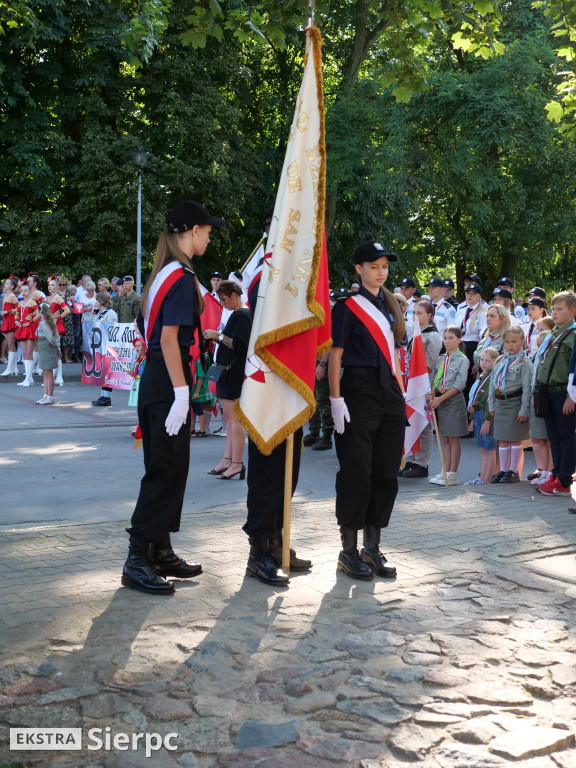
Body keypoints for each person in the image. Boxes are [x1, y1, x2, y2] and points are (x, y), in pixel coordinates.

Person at [122, 200, 223, 595]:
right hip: (169, 383)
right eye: (208, 230)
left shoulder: (165, 273)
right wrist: (183, 395)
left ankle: (160, 549)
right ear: (193, 231)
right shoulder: (180, 277)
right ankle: (137, 559)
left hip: (159, 382)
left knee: (169, 466)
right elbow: (167, 339)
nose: (209, 237)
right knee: (165, 470)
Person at [329, 240, 406, 580]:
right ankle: (348, 551)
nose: (381, 271)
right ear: (359, 268)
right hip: (358, 392)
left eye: (384, 266)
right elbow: (336, 355)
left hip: (388, 392)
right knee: (356, 471)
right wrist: (335, 398)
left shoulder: (389, 308)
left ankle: (372, 548)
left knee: (385, 472)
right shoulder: (346, 307)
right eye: (374, 266)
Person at [203, 280, 252, 479]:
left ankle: (237, 463)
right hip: (229, 372)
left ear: (233, 294)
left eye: (223, 299)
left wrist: (218, 336)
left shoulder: (242, 315)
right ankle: (228, 460)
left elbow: (241, 345)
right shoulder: (239, 314)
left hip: (234, 373)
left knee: (234, 420)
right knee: (230, 419)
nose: (222, 303)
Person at [535, 291, 576, 496]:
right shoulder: (553, 333)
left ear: (572, 311)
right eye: (553, 309)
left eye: (560, 309)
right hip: (547, 392)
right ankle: (557, 473)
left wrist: (572, 396)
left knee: (565, 436)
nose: (554, 313)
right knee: (554, 437)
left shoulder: (573, 335)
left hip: (564, 393)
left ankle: (565, 480)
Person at [401, 300, 442, 478]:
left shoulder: (431, 336)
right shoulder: (413, 334)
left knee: (424, 425)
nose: (415, 316)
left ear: (429, 316)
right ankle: (411, 459)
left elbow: (429, 364)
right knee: (411, 420)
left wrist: (415, 379)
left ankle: (422, 463)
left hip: (424, 385)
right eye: (413, 313)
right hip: (411, 384)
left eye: (419, 313)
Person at [488, 326, 533, 483]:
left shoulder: (525, 363)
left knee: (514, 439)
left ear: (522, 341)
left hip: (515, 403)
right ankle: (503, 469)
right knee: (502, 438)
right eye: (507, 342)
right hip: (500, 403)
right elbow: (493, 384)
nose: (510, 345)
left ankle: (513, 471)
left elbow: (527, 388)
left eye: (514, 341)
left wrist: (524, 409)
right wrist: (491, 405)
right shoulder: (501, 360)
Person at [428, 325, 470, 486]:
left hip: (452, 401)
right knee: (445, 438)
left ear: (459, 340)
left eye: (451, 338)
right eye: (445, 338)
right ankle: (445, 470)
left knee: (453, 438)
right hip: (441, 400)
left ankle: (453, 473)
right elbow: (436, 378)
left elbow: (459, 385)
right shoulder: (442, 358)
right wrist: (432, 393)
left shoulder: (462, 360)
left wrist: (440, 398)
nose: (447, 341)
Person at [466, 346, 499, 484]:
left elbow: (489, 401)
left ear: (495, 363)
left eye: (488, 361)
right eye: (482, 360)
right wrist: (472, 420)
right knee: (482, 448)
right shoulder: (482, 376)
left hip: (486, 415)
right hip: (477, 413)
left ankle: (487, 478)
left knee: (489, 448)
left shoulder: (492, 378)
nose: (484, 363)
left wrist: (488, 420)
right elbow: (475, 399)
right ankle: (482, 476)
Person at [527, 328, 553, 487]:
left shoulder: (548, 357)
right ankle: (544, 471)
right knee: (541, 439)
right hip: (536, 396)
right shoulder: (537, 357)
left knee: (548, 439)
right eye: (537, 345)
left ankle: (551, 471)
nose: (539, 347)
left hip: (546, 397)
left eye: (542, 344)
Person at [455, 282, 486, 399]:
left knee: (468, 379)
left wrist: (477, 354)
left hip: (472, 346)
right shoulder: (461, 310)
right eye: (468, 293)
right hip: (459, 345)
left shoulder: (483, 312)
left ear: (480, 296)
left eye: (474, 293)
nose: (470, 296)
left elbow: (481, 335)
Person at [91, 291, 119, 407]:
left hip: (108, 345)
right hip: (100, 345)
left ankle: (107, 397)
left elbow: (111, 329)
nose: (95, 302)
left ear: (102, 301)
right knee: (103, 371)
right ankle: (103, 395)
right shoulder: (101, 313)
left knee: (108, 371)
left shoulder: (110, 313)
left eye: (97, 300)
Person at [303, 349, 333, 451]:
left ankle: (327, 437)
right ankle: (314, 434)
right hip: (311, 361)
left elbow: (330, 343)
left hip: (323, 362)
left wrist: (322, 363)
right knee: (312, 399)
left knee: (323, 401)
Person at [35, 302, 61, 405]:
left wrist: (57, 347)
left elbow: (51, 337)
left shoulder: (46, 321)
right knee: (45, 372)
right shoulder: (44, 320)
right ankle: (45, 395)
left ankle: (50, 396)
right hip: (43, 345)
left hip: (47, 346)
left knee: (48, 372)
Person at [47, 277, 70, 387]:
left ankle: (59, 377)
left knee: (57, 349)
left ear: (57, 287)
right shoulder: (48, 298)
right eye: (49, 285)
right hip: (47, 326)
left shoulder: (58, 298)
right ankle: (52, 377)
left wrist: (58, 318)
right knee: (50, 351)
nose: (49, 287)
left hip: (56, 325)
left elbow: (67, 310)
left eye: (52, 285)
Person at [14, 283, 38, 387]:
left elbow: (39, 314)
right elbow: (17, 315)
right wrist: (16, 321)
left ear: (29, 292)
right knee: (25, 354)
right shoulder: (20, 303)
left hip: (29, 327)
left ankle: (28, 378)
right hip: (22, 327)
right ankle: (28, 378)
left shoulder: (32, 302)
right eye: (22, 291)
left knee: (29, 353)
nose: (23, 292)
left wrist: (31, 321)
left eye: (25, 291)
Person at [473, 304, 510, 371]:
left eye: (492, 316)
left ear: (503, 319)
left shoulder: (507, 339)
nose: (488, 318)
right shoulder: (487, 337)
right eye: (487, 315)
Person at [0, 277, 19, 376]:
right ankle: (14, 368)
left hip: (11, 320)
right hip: (7, 320)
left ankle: (10, 369)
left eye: (7, 284)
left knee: (11, 344)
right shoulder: (6, 295)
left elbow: (19, 307)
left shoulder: (12, 296)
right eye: (5, 283)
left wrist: (7, 312)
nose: (4, 285)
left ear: (12, 286)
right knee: (11, 344)